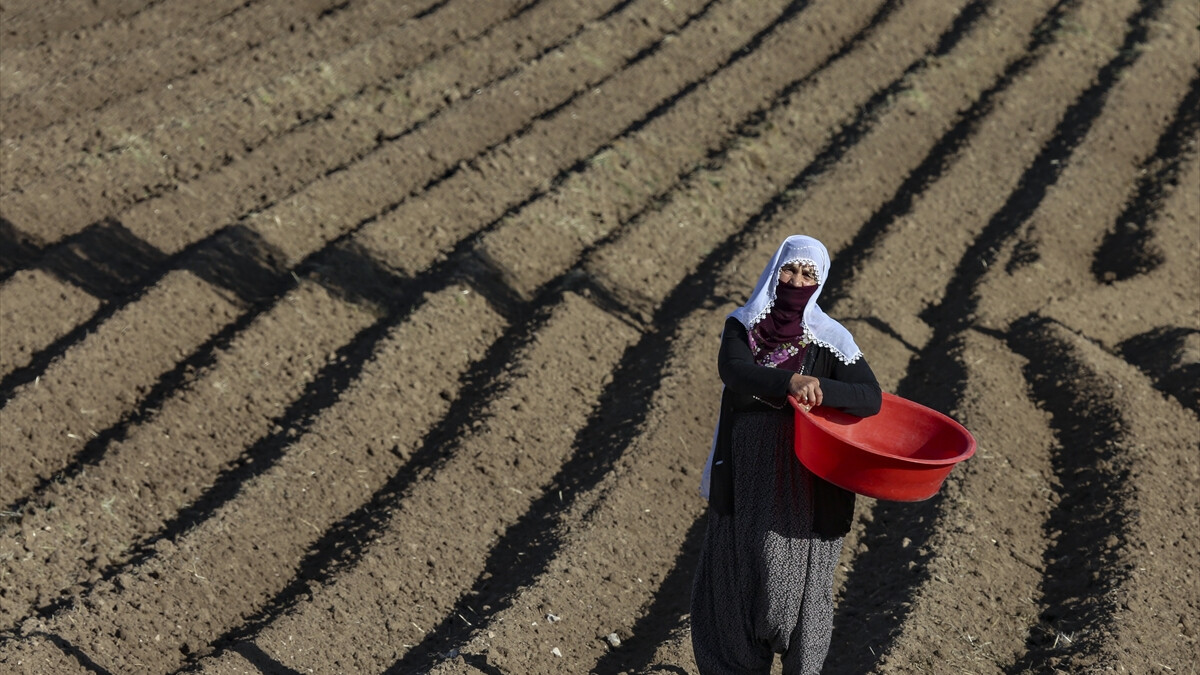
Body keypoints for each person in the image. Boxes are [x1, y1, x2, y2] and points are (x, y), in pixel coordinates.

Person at [691, 235, 882, 674]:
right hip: (746, 466)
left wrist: (817, 390)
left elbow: (869, 398)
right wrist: (787, 383)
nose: (797, 281)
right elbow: (734, 371)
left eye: (808, 274)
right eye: (790, 270)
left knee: (792, 582)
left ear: (821, 283)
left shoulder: (830, 338)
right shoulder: (742, 324)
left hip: (804, 472)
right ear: (775, 271)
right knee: (740, 569)